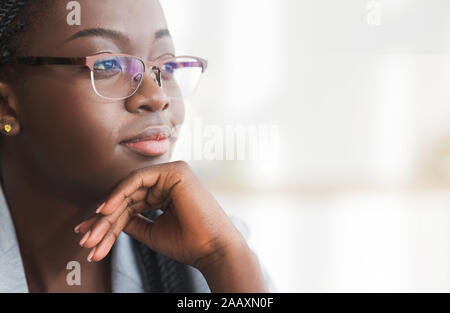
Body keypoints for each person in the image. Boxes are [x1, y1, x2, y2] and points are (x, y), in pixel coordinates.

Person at [0, 0, 274, 293]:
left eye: (166, 66)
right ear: (6, 106)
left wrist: (225, 261)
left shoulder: (212, 252)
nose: (157, 96)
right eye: (108, 64)